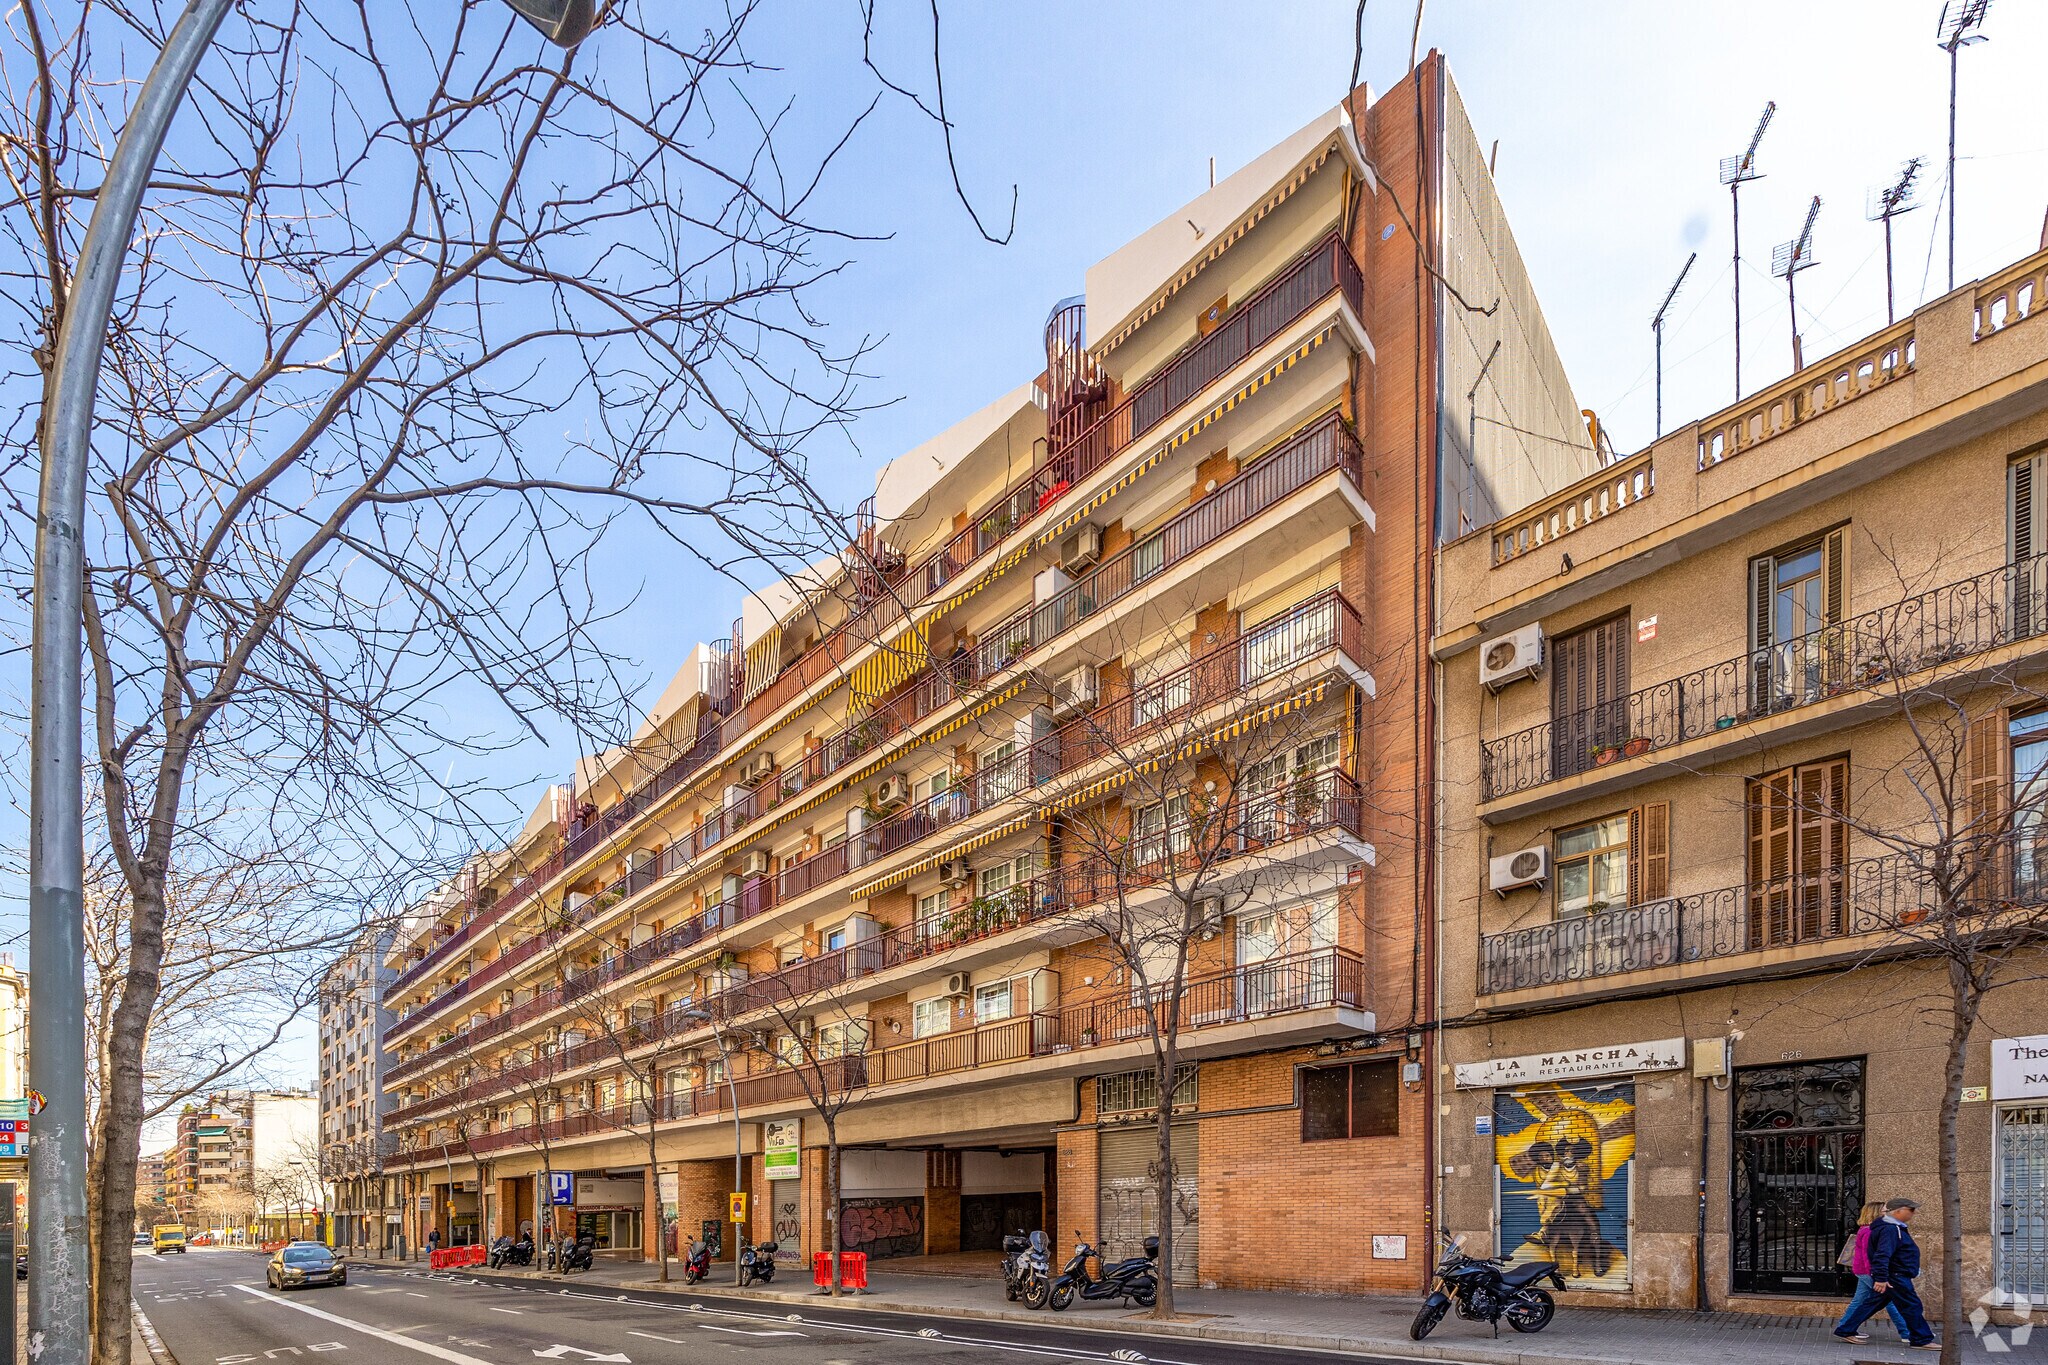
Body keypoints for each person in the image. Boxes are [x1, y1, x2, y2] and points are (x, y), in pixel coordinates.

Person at [1836, 1197, 1937, 1350]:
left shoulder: (1892, 1227)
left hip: (1891, 1274)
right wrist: (1880, 1277)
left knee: (1872, 1303)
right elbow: (1880, 1255)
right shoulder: (1890, 1229)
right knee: (1911, 1305)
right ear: (1897, 1211)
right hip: (1894, 1275)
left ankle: (1845, 1329)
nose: (1914, 1213)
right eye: (1910, 1210)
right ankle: (1920, 1339)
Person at [1832, 1201, 1912, 1343]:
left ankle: (1845, 1327)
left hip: (1863, 1271)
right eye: (1883, 1211)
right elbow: (1870, 1256)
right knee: (1891, 1301)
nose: (1886, 1213)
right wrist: (1878, 1276)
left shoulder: (1867, 1229)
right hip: (1868, 1272)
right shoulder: (1870, 1231)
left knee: (1859, 1300)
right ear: (1875, 1213)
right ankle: (1906, 1333)